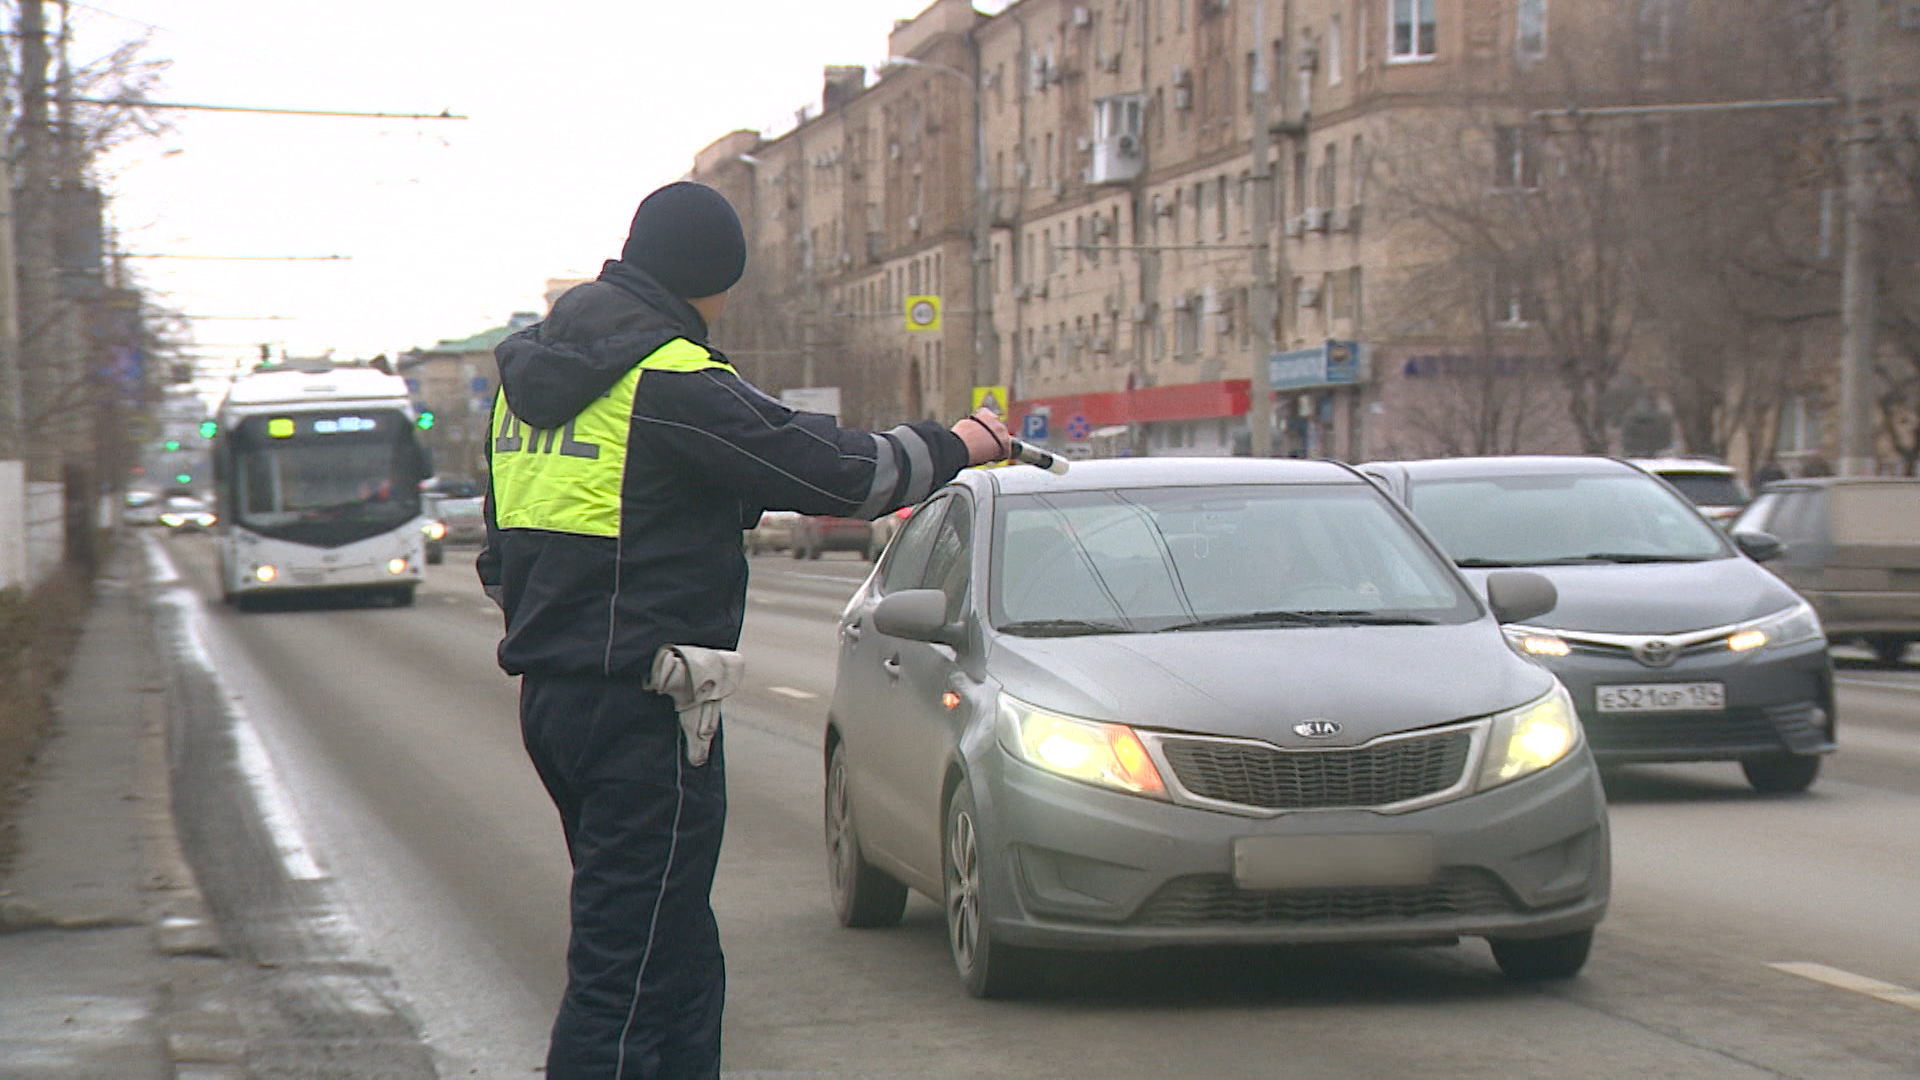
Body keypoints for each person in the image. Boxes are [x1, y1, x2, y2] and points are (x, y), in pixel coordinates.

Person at [476, 181, 1010, 1079]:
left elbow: (502, 555)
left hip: (561, 701)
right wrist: (958, 442)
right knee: (631, 977)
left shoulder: (527, 390)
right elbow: (843, 475)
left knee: (676, 958)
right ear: (714, 276)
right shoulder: (671, 379)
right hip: (644, 713)